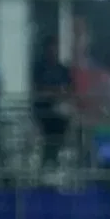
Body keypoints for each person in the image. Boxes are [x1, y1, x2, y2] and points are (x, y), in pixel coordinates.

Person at [30, 35, 73, 167]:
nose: (53, 51)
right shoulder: (39, 68)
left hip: (59, 113)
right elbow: (39, 89)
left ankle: (52, 160)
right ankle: (48, 161)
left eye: (55, 48)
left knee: (59, 133)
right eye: (50, 48)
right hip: (43, 112)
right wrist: (54, 92)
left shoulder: (63, 69)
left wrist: (55, 93)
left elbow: (68, 90)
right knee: (47, 136)